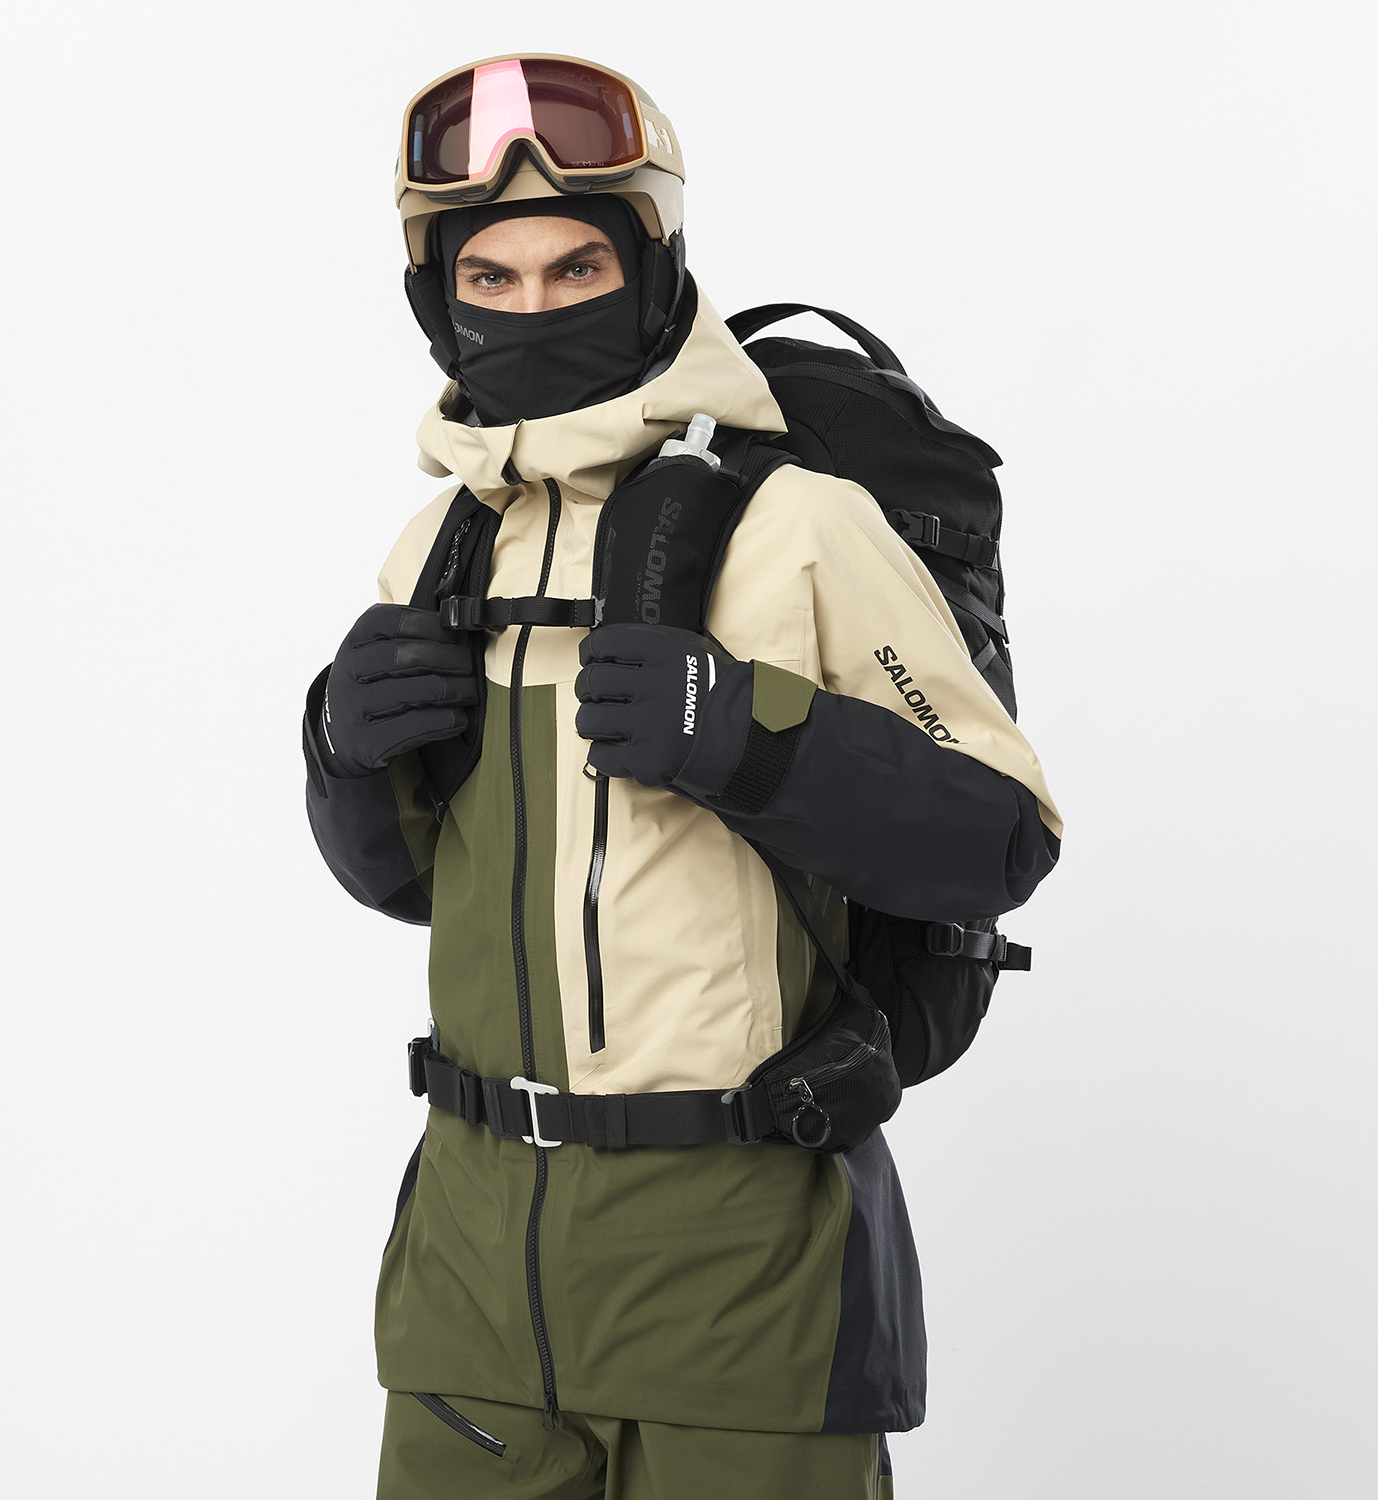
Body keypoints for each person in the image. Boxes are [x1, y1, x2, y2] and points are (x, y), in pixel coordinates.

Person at [302, 54, 1062, 1499]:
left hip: (744, 1288)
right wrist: (340, 755)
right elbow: (412, 887)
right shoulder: (443, 545)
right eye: (493, 278)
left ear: (652, 271)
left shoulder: (801, 526)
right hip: (470, 1291)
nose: (533, 308)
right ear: (437, 300)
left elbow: (1001, 837)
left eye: (577, 268)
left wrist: (753, 737)